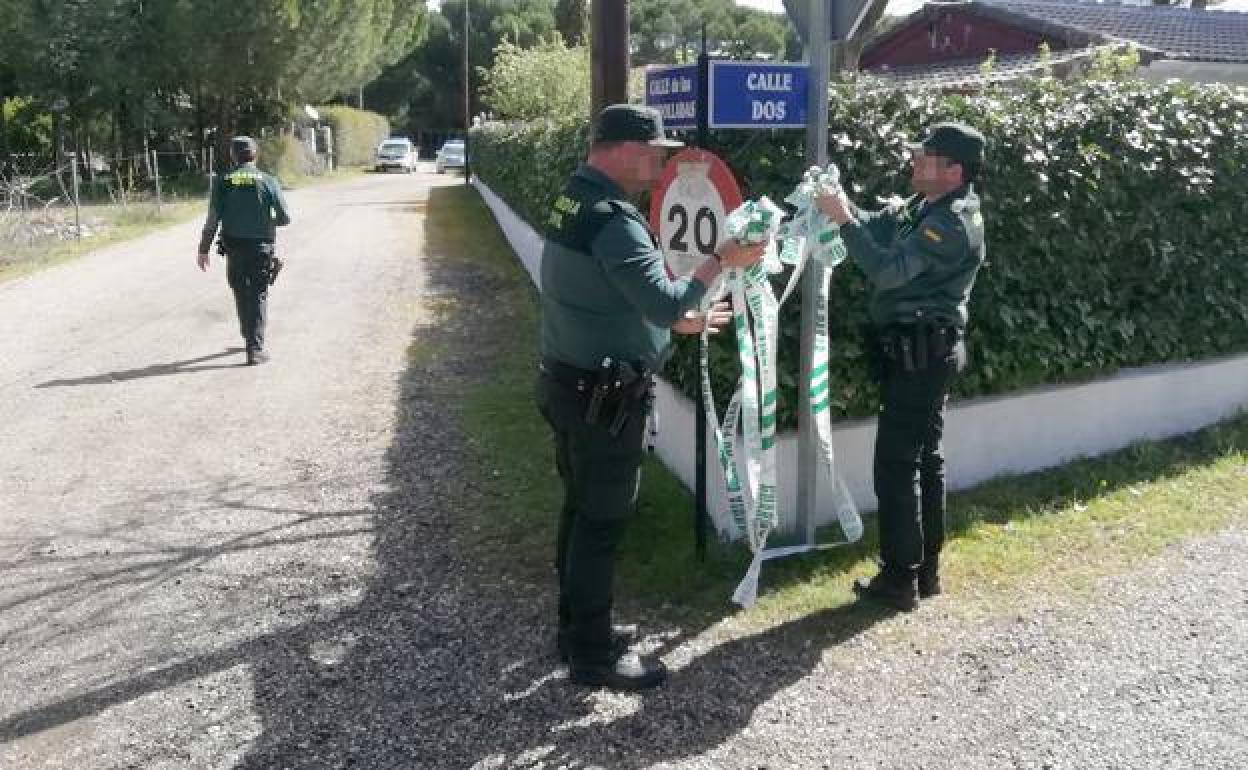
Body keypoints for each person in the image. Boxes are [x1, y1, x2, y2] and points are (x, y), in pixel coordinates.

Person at [538, 104, 764, 691]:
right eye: (653, 154)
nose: (659, 165)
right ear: (619, 149)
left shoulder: (572, 198)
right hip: (604, 401)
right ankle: (590, 652)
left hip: (567, 383)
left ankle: (574, 628)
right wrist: (721, 260)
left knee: (578, 508)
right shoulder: (614, 219)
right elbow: (662, 301)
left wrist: (673, 325)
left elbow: (610, 296)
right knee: (602, 521)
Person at [816, 122, 987, 611]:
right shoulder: (929, 207)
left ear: (953, 170)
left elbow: (888, 271)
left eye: (925, 157)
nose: (914, 162)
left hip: (923, 355)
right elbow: (883, 226)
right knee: (925, 459)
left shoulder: (950, 223)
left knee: (896, 463)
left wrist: (843, 223)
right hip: (925, 351)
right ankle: (924, 570)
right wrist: (845, 207)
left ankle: (899, 578)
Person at [197, 136, 291, 365]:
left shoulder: (223, 181)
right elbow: (284, 217)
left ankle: (248, 336)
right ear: (255, 155)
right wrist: (266, 219)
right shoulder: (268, 181)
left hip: (234, 247)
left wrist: (203, 249)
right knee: (258, 294)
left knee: (240, 291)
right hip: (261, 248)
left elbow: (212, 219)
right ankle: (255, 349)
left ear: (233, 155)